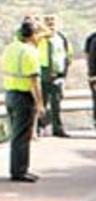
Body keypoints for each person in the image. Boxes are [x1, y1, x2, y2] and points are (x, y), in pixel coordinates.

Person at [3, 21, 45, 182]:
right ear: (33, 35)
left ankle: (17, 168)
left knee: (16, 134)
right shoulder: (30, 52)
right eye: (38, 34)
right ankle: (20, 171)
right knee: (22, 136)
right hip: (23, 97)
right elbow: (34, 82)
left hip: (10, 94)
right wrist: (40, 104)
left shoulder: (11, 47)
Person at [37, 15, 74, 137]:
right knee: (42, 103)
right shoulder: (40, 38)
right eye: (47, 22)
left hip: (58, 75)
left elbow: (68, 56)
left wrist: (64, 73)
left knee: (56, 104)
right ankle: (39, 128)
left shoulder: (62, 38)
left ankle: (57, 129)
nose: (50, 24)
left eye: (53, 22)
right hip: (43, 74)